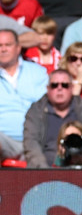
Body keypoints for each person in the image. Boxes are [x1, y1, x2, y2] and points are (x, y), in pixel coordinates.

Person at [24, 69, 82, 168]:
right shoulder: (36, 110)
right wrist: (44, 170)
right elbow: (31, 143)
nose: (59, 88)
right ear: (48, 88)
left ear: (72, 88)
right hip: (47, 168)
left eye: (65, 85)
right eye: (54, 85)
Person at [0, 29, 48, 160]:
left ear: (18, 48)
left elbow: (49, 106)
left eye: (8, 45)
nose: (3, 49)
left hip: (38, 139)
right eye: (0, 45)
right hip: (5, 141)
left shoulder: (38, 72)